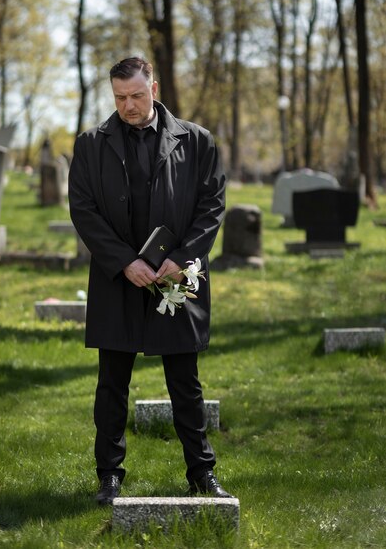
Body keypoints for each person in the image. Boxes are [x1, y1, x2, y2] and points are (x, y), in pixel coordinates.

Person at [68, 56, 233, 505]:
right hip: (117, 278)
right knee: (112, 383)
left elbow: (212, 206)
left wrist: (183, 258)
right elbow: (83, 210)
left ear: (154, 89)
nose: (129, 106)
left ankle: (202, 474)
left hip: (175, 276)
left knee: (185, 381)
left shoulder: (197, 141)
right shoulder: (90, 144)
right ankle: (109, 477)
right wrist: (124, 262)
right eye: (120, 98)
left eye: (137, 95)